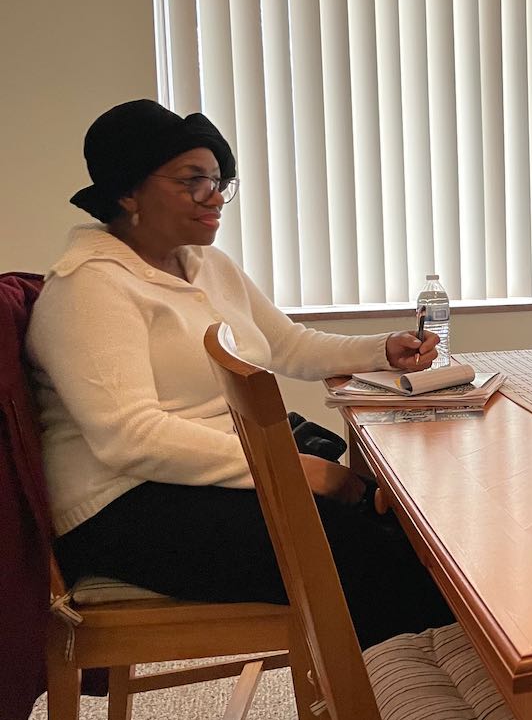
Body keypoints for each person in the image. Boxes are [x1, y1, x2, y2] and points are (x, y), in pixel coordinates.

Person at [26, 99, 453, 647]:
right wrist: (299, 470)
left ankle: (414, 695)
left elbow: (287, 345)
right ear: (127, 191)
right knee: (374, 558)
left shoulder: (204, 263)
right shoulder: (89, 287)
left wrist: (382, 349)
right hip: (124, 506)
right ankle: (407, 712)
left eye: (219, 180)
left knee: (408, 528)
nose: (215, 196)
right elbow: (129, 438)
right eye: (192, 180)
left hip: (207, 473)